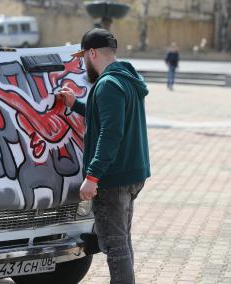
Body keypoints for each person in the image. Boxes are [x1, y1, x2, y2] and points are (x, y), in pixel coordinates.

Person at [57, 28, 150, 284]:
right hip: (133, 173)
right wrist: (75, 104)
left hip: (113, 179)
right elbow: (109, 116)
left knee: (115, 247)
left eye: (84, 56)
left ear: (93, 52)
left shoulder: (108, 84)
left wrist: (92, 176)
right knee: (123, 243)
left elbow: (110, 133)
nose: (83, 61)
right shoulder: (126, 78)